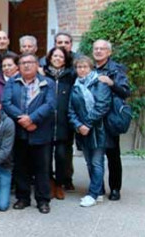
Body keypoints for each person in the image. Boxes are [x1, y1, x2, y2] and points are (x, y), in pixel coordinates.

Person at [3, 53, 56, 214]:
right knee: (21, 167)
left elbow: (50, 104)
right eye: (23, 63)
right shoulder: (13, 82)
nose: (26, 65)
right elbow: (6, 103)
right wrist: (23, 120)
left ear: (36, 65)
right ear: (18, 66)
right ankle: (23, 198)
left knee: (42, 167)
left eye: (30, 62)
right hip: (20, 132)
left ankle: (43, 200)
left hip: (40, 131)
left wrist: (32, 119)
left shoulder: (48, 82)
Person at [68, 55, 112, 207]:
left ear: (90, 68)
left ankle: (92, 194)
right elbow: (70, 110)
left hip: (98, 130)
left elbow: (102, 106)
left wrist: (87, 124)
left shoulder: (99, 82)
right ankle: (98, 191)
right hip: (82, 132)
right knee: (88, 162)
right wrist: (79, 125)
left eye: (85, 67)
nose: (81, 70)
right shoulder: (75, 86)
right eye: (79, 67)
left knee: (97, 162)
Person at [93, 39, 131, 201]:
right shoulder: (89, 68)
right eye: (96, 49)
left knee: (113, 155)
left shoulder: (117, 70)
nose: (99, 51)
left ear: (109, 52)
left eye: (102, 49)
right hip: (94, 118)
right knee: (95, 156)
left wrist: (111, 83)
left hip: (110, 118)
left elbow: (125, 92)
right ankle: (98, 187)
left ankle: (115, 188)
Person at [42, 47, 75, 199]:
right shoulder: (42, 75)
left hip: (64, 124)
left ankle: (60, 183)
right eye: (55, 56)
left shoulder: (71, 76)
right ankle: (50, 183)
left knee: (62, 157)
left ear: (65, 59)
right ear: (49, 58)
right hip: (46, 124)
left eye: (61, 56)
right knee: (46, 158)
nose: (57, 59)